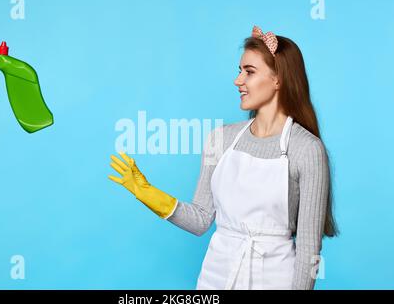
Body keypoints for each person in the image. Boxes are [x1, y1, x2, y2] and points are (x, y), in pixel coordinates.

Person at [108, 25, 338, 290]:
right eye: (239, 71)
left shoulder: (307, 149)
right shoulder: (220, 139)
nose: (238, 80)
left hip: (276, 280)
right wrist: (147, 193)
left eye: (249, 72)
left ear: (278, 79)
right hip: (215, 278)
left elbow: (309, 245)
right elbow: (201, 219)